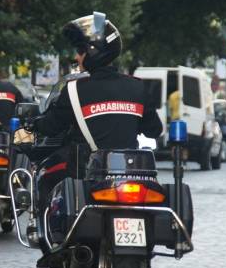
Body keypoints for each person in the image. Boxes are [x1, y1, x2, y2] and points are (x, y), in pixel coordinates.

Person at [31, 12, 163, 209]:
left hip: (86, 174)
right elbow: (154, 130)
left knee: (45, 177)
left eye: (80, 50)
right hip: (130, 173)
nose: (76, 57)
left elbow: (51, 126)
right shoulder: (138, 87)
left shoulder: (75, 90)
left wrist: (33, 123)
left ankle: (44, 233)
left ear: (92, 52)